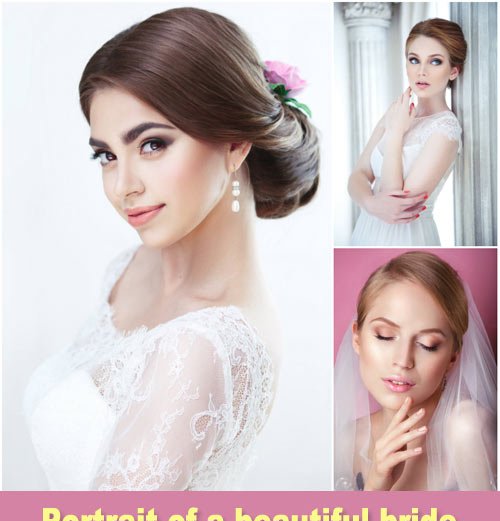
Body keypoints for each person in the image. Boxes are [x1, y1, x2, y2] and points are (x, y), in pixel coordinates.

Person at [24, 7, 320, 491]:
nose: (123, 187)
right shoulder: (131, 267)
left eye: (153, 145)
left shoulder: (200, 347)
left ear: (235, 143)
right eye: (106, 155)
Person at [334, 253, 497, 492]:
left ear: (453, 356)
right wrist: (374, 488)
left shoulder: (468, 429)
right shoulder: (346, 440)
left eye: (428, 344)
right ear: (357, 338)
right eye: (385, 336)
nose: (403, 361)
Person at [348, 19, 465, 246]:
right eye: (414, 60)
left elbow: (398, 206)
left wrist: (395, 135)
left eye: (435, 61)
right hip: (366, 229)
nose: (421, 71)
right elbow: (357, 175)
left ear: (453, 71)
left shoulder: (445, 131)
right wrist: (370, 204)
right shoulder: (397, 111)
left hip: (407, 237)